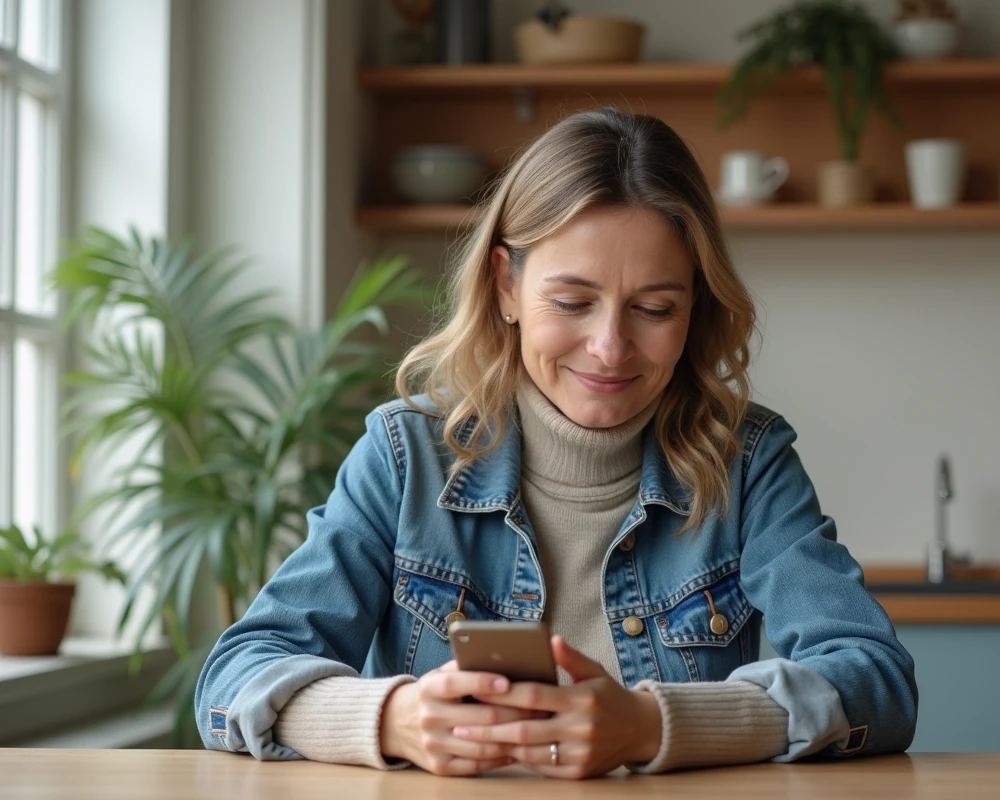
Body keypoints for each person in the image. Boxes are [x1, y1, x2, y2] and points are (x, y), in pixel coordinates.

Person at [195, 106, 917, 779]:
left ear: (695, 305)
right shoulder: (403, 455)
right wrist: (390, 718)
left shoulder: (748, 464)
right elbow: (235, 678)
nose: (609, 348)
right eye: (573, 302)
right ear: (507, 286)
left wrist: (651, 726)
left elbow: (874, 678)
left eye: (654, 307)